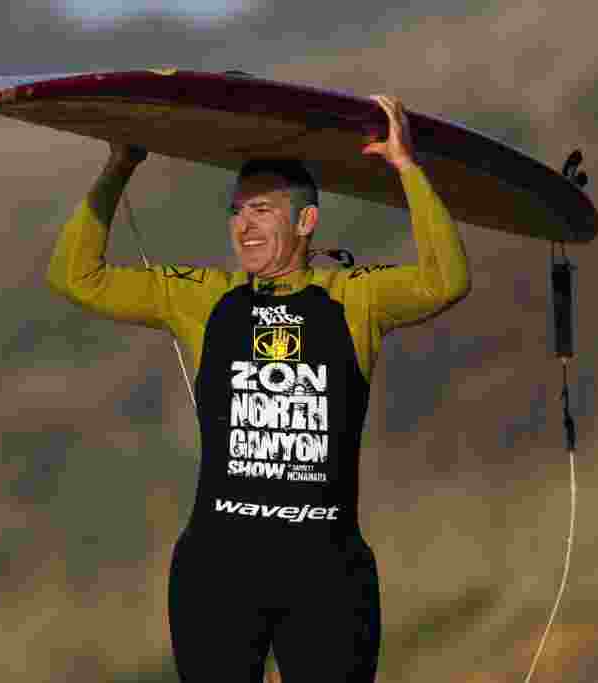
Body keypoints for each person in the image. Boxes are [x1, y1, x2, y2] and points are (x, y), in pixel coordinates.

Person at [46, 95, 471, 683]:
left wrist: (407, 170)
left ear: (305, 222)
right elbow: (74, 276)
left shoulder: (354, 298)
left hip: (327, 575)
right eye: (237, 211)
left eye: (263, 210)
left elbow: (446, 280)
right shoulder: (202, 297)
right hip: (218, 573)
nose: (243, 225)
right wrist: (119, 167)